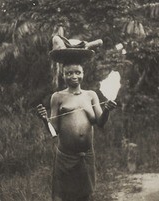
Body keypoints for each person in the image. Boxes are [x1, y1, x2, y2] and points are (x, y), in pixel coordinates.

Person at [37, 37, 116, 201]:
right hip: (65, 157)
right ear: (63, 75)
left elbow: (100, 123)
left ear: (83, 74)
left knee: (85, 196)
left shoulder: (91, 95)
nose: (74, 76)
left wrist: (107, 111)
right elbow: (55, 131)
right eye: (69, 73)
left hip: (86, 155)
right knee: (61, 196)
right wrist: (45, 119)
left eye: (78, 72)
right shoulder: (57, 97)